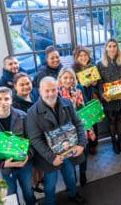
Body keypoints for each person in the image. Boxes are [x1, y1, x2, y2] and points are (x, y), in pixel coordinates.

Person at [26, 76, 87, 205]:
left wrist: (81, 144)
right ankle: (50, 203)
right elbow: (35, 139)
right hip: (48, 157)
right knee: (50, 184)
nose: (50, 94)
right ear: (40, 91)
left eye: (53, 90)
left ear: (57, 89)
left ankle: (72, 194)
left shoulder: (67, 103)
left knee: (70, 176)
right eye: (47, 91)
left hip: (69, 151)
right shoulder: (32, 113)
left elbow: (78, 124)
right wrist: (51, 157)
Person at [57, 66, 96, 186]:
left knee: (83, 152)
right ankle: (72, 174)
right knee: (69, 154)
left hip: (80, 127)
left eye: (70, 78)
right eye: (65, 78)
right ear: (60, 79)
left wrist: (89, 129)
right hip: (65, 131)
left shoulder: (78, 91)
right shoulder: (56, 94)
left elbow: (83, 110)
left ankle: (83, 172)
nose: (68, 80)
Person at [11, 72, 43, 193]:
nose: (25, 87)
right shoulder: (14, 103)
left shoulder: (35, 93)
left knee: (41, 159)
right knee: (32, 162)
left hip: (39, 131)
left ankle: (41, 179)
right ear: (15, 86)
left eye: (27, 83)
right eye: (21, 84)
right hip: (26, 136)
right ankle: (35, 184)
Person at [97, 39, 121, 154]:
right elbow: (99, 83)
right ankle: (114, 142)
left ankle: (120, 141)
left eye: (114, 46)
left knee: (120, 119)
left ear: (117, 48)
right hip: (108, 98)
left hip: (120, 97)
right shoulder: (100, 64)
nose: (112, 48)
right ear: (106, 48)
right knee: (111, 121)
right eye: (110, 46)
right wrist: (103, 95)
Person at [72, 45, 99, 155]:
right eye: (80, 56)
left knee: (93, 121)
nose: (83, 57)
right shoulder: (73, 70)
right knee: (83, 122)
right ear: (76, 57)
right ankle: (84, 144)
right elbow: (71, 86)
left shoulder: (92, 67)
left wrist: (94, 83)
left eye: (85, 55)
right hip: (80, 100)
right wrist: (81, 85)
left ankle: (94, 144)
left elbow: (98, 84)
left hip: (91, 97)